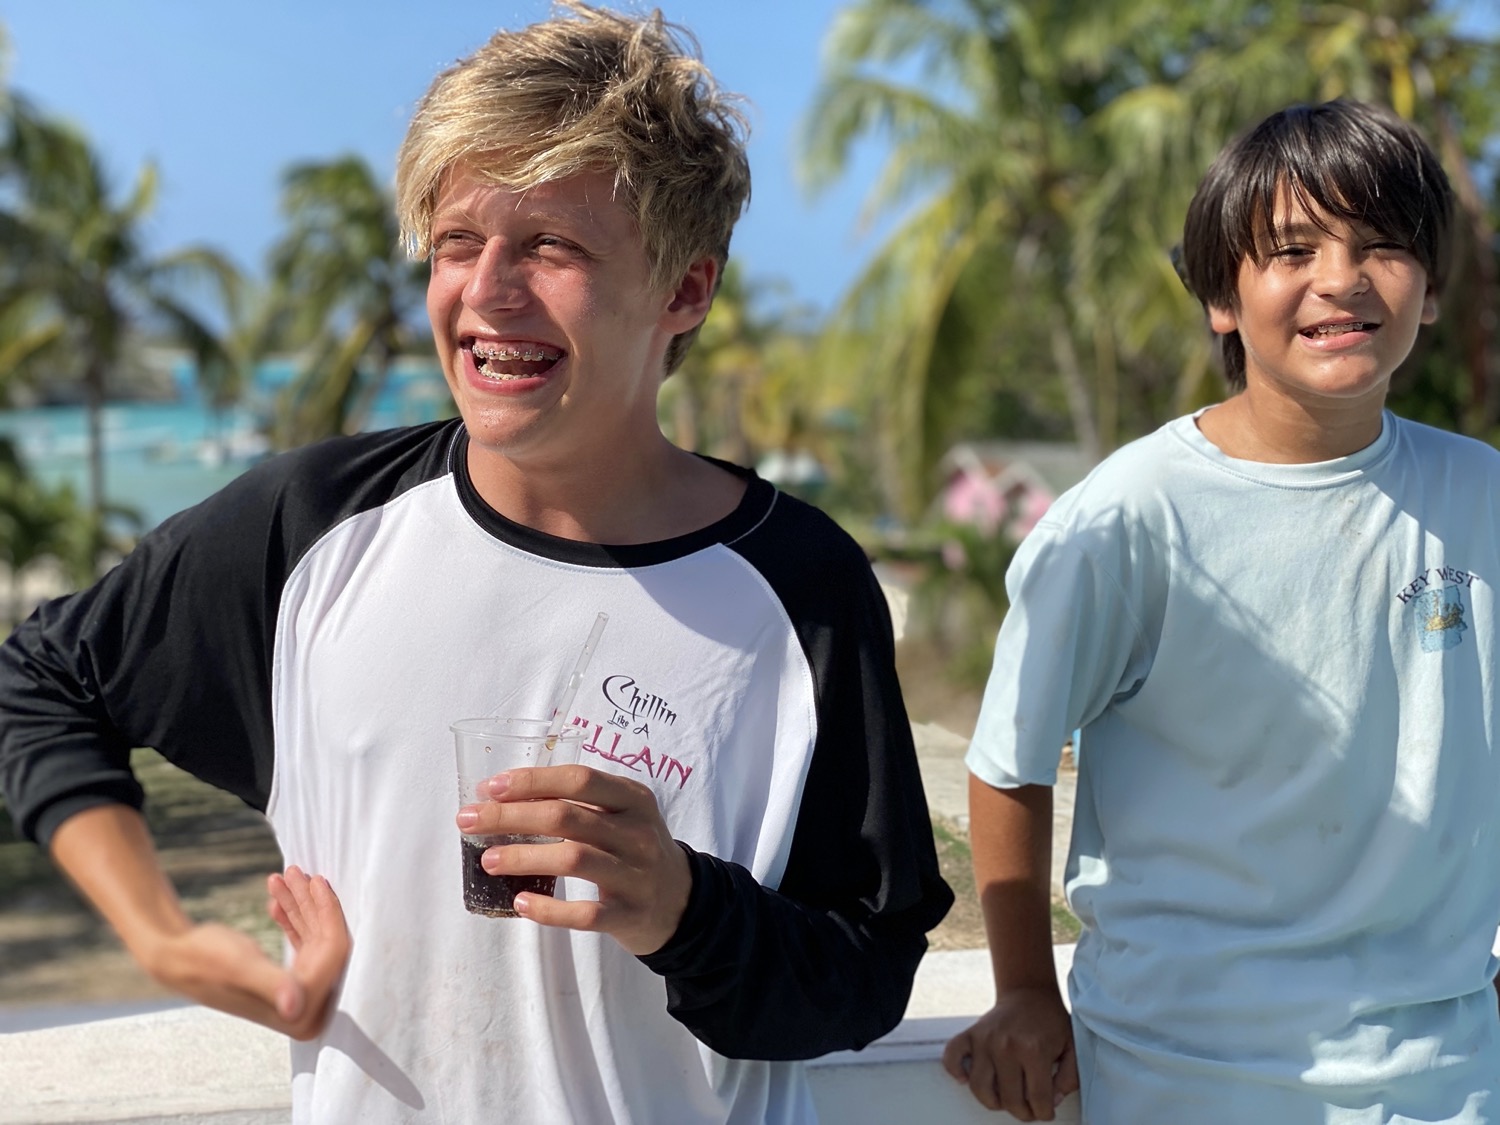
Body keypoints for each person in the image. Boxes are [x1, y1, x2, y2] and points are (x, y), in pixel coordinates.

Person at [0, 5, 952, 1122]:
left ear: (684, 291)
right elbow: (41, 678)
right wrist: (164, 936)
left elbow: (865, 974)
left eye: (552, 246)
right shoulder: (313, 529)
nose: (487, 290)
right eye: (457, 241)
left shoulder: (800, 587)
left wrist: (683, 909)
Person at [943, 98, 1500, 1123]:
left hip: (1447, 1073)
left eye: (1382, 245)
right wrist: (1024, 990)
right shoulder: (1127, 517)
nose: (1341, 278)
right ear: (1220, 298)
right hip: (1185, 1073)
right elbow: (1009, 760)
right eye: (1292, 250)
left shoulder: (1482, 495)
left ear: (1428, 292)